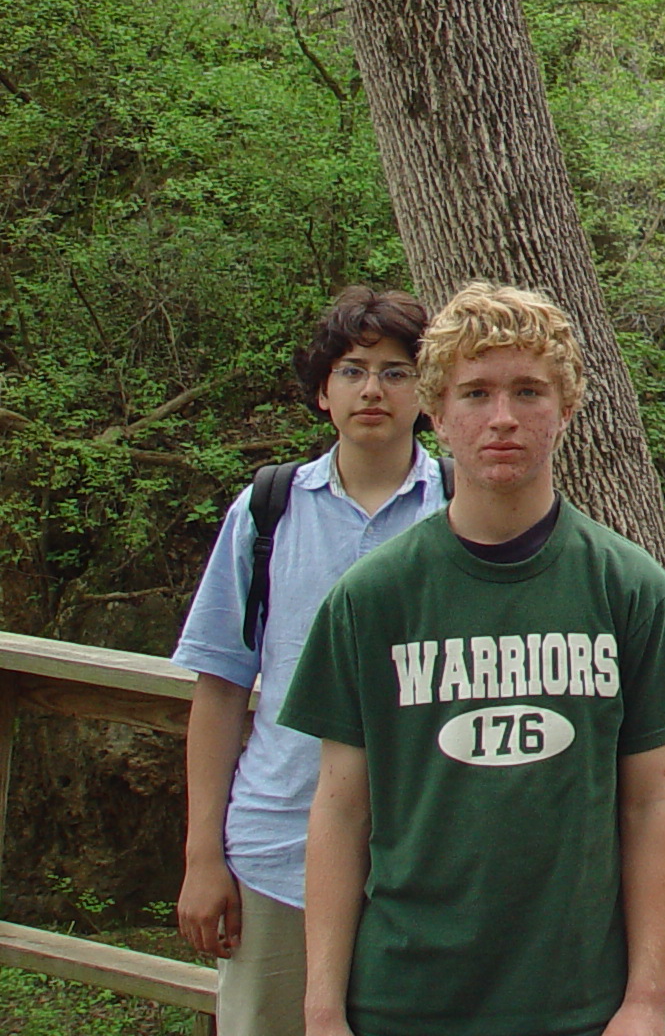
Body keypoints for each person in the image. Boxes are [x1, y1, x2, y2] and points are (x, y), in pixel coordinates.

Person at [280, 283, 665, 1036]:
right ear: (437, 412)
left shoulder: (631, 591)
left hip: (576, 1000)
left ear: (569, 406)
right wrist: (323, 1008)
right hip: (402, 996)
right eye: (476, 393)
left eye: (529, 391)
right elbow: (340, 806)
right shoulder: (373, 599)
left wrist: (646, 998)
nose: (504, 418)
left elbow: (653, 804)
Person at [173, 286, 451, 1036]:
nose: (373, 390)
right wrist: (204, 857)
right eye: (353, 370)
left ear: (427, 393)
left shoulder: (462, 512)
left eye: (397, 372)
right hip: (275, 853)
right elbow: (222, 687)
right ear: (322, 391)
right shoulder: (267, 511)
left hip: (424, 861)